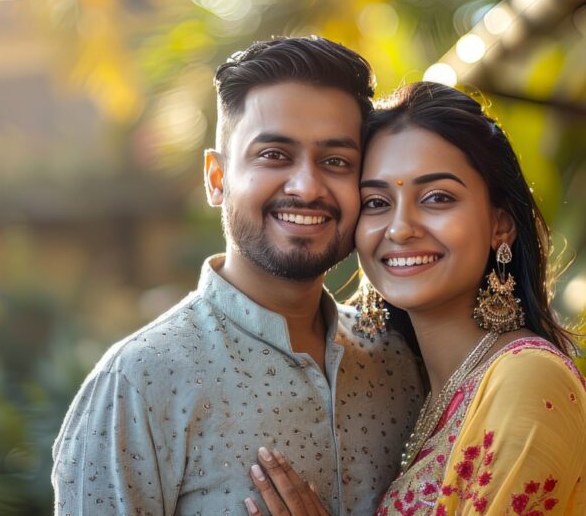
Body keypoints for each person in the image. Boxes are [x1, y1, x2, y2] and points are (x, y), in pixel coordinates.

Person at [51, 37, 423, 515]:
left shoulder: (397, 359)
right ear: (216, 177)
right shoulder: (142, 380)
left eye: (336, 162)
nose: (307, 186)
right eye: (274, 155)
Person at [245, 82, 586, 515]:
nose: (401, 228)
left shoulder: (525, 378)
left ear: (500, 223)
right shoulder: (421, 388)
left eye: (437, 198)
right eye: (376, 202)